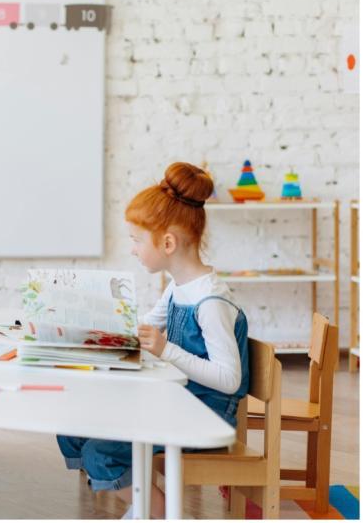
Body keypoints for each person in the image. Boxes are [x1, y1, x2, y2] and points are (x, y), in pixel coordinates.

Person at [56, 162, 250, 518]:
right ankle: (144, 503)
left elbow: (229, 379)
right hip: (178, 401)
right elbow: (144, 325)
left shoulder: (210, 302)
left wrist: (166, 349)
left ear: (168, 243)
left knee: (100, 451)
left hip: (204, 414)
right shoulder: (179, 287)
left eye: (136, 239)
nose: (133, 249)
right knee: (73, 429)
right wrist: (89, 327)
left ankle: (155, 512)